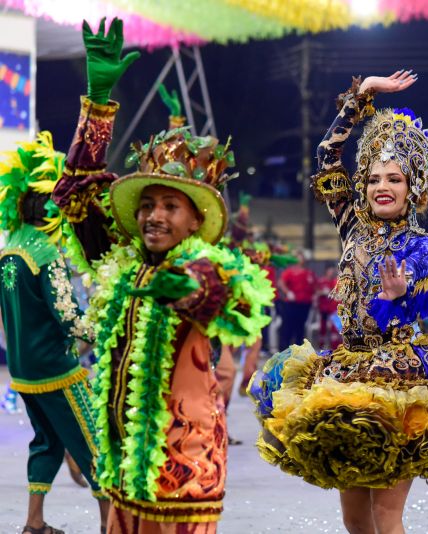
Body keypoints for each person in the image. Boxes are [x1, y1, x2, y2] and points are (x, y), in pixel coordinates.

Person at [249, 72, 428, 534]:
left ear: (412, 188)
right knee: (354, 521)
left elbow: (415, 306)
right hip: (342, 378)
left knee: (387, 518)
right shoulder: (351, 225)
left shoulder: (423, 245)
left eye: (394, 178)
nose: (380, 186)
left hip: (399, 388)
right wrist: (361, 96)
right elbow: (326, 158)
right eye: (372, 179)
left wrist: (394, 298)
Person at [52, 18, 273, 531]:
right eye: (147, 203)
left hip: (184, 472)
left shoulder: (208, 265)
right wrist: (97, 106)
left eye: (170, 205)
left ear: (196, 219)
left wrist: (194, 292)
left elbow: (235, 300)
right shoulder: (121, 260)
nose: (154, 215)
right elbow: (76, 196)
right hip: (123, 468)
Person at [0, 132, 109, 534]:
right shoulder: (47, 255)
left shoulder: (10, 247)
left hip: (23, 372)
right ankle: (108, 526)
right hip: (55, 369)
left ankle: (34, 523)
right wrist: (110, 327)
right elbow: (70, 318)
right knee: (96, 445)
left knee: (45, 443)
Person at [277, 249, 316, 347]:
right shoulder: (289, 272)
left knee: (300, 328)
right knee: (288, 327)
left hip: (305, 304)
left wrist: (315, 297)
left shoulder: (309, 273)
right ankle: (284, 348)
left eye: (301, 257)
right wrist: (288, 292)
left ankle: (299, 349)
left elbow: (315, 287)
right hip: (291, 304)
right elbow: (281, 283)